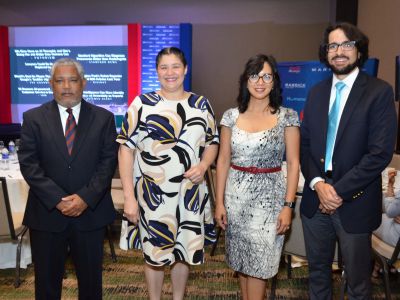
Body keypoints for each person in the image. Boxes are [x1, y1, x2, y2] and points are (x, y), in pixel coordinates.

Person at [300, 22, 397, 299]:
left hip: (354, 200)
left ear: (359, 50)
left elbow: (379, 153)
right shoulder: (316, 93)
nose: (339, 51)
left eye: (346, 44)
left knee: (357, 283)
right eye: (332, 45)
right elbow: (305, 146)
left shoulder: (379, 92)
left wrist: (337, 191)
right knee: (317, 275)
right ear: (325, 52)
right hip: (316, 200)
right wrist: (319, 184)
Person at [117, 47, 219, 300]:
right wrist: (129, 197)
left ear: (185, 69)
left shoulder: (201, 104)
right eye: (164, 67)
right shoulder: (141, 104)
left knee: (183, 251)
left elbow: (213, 142)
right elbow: (125, 150)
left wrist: (204, 165)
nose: (170, 72)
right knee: (154, 254)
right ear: (157, 71)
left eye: (175, 66)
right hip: (152, 195)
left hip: (188, 194)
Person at [18, 58, 118, 300]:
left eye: (72, 80)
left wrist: (84, 198)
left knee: (91, 283)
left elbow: (107, 164)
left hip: (90, 214)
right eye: (60, 81)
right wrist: (58, 199)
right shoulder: (33, 118)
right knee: (46, 284)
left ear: (83, 83)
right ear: (51, 84)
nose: (66, 87)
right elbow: (29, 164)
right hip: (47, 214)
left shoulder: (104, 118)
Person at [214, 54, 300, 300]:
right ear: (246, 80)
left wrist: (288, 206)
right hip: (235, 200)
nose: (260, 81)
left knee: (260, 267)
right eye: (255, 75)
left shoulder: (287, 116)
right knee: (241, 262)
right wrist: (219, 202)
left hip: (270, 203)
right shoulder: (231, 116)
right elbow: (222, 161)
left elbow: (293, 164)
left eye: (267, 76)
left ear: (274, 82)